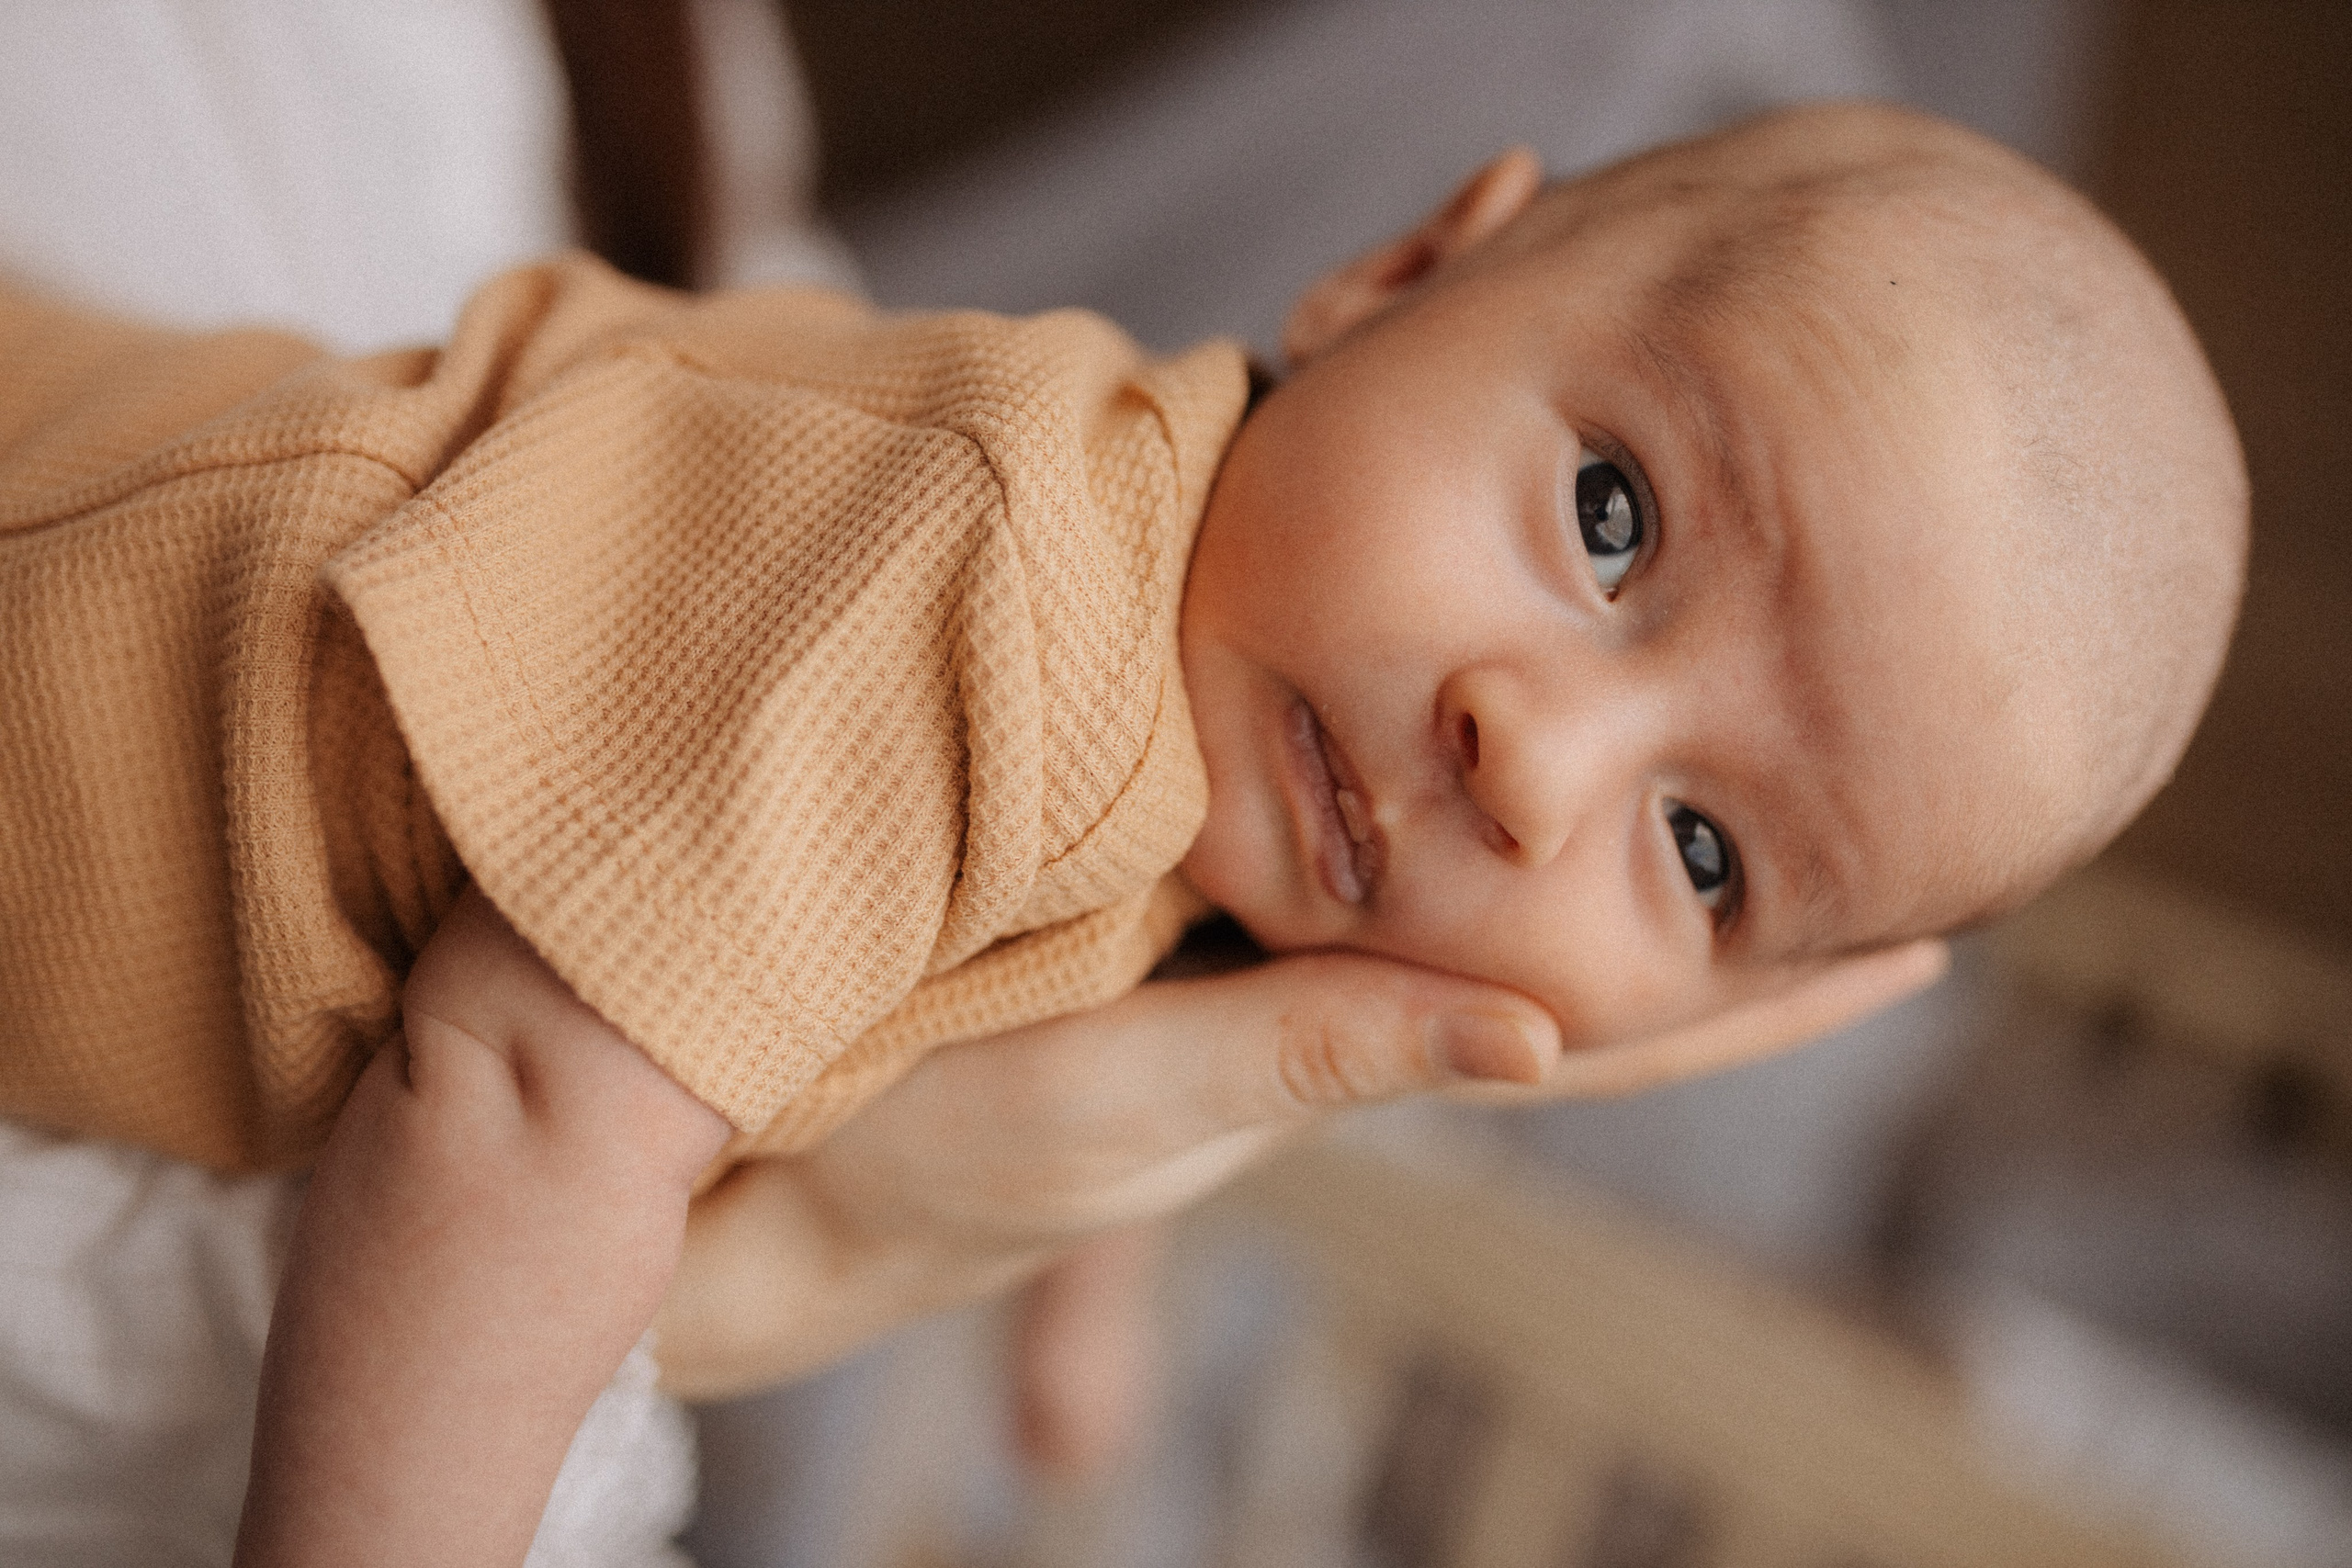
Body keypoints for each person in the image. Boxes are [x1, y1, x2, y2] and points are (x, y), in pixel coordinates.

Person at [0, 101, 2240, 1564]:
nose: (1533, 759)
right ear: (1394, 270)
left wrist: (1087, 1274)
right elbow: (505, 1108)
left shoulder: (1216, 759)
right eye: (1609, 514)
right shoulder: (1003, 584)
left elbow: (1089, 943)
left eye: (1708, 853)